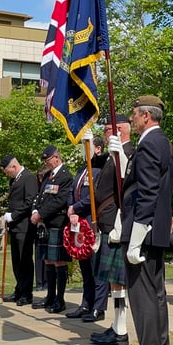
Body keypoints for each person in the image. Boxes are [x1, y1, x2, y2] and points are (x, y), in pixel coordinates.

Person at [113, 95, 173, 345]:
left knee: (144, 299)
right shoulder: (160, 142)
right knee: (156, 296)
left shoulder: (150, 143)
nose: (132, 119)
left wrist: (136, 237)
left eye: (135, 114)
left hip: (144, 233)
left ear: (146, 116)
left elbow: (147, 192)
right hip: (152, 232)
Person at [89, 114, 136, 345]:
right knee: (114, 282)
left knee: (119, 281)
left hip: (116, 223)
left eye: (108, 129)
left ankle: (121, 329)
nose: (105, 133)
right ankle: (116, 326)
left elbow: (127, 186)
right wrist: (87, 146)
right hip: (107, 222)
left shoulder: (127, 153)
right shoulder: (112, 154)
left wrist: (120, 156)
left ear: (120, 130)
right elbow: (93, 165)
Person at [65, 133, 105, 320]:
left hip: (92, 222)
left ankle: (98, 307)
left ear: (98, 149)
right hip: (78, 223)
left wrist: (76, 207)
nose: (84, 151)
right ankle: (86, 303)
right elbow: (72, 192)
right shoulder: (82, 169)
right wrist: (71, 210)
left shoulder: (100, 170)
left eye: (87, 147)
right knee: (84, 266)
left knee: (96, 266)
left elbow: (94, 197)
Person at [30, 145, 73, 313]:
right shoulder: (48, 176)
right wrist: (35, 210)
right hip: (45, 224)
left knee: (58, 260)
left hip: (57, 222)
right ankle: (50, 296)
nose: (46, 163)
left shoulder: (65, 176)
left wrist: (40, 214)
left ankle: (60, 299)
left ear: (56, 157)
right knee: (47, 259)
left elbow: (60, 201)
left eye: (48, 160)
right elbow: (40, 196)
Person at [0, 155, 38, 306]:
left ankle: (26, 293)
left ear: (14, 167)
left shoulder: (28, 178)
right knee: (16, 261)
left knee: (25, 260)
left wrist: (13, 215)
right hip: (15, 226)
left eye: (7, 171)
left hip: (24, 226)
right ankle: (19, 289)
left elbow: (30, 201)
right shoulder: (14, 179)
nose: (6, 174)